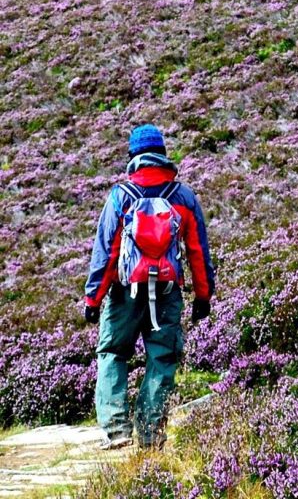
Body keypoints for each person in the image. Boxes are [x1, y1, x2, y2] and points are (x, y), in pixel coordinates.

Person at [83, 124, 216, 450]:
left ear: (133, 156)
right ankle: (150, 433)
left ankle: (116, 429)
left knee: (113, 352)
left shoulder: (120, 196)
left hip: (124, 292)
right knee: (162, 357)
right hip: (168, 293)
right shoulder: (183, 196)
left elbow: (106, 252)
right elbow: (198, 250)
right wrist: (203, 295)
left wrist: (93, 297)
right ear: (163, 154)